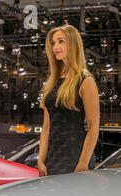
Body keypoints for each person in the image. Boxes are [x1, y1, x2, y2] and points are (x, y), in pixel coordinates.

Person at [38, 25, 100, 176]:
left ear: (72, 44)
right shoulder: (52, 83)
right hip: (52, 159)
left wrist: (83, 162)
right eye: (53, 43)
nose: (56, 47)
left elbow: (93, 126)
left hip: (75, 157)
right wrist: (40, 159)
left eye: (61, 41)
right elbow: (46, 127)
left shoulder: (85, 81)